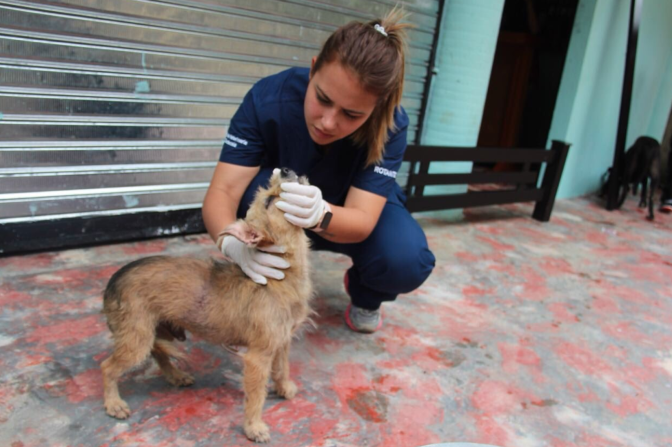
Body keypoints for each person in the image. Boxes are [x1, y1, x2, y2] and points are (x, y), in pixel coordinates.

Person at [202, 9, 436, 333]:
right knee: (247, 198)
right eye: (322, 99)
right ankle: (259, 285)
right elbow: (223, 191)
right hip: (283, 210)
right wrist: (232, 244)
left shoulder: (392, 124)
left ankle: (366, 294)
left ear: (376, 107)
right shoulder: (268, 98)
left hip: (344, 212)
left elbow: (363, 219)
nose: (328, 122)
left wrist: (321, 214)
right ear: (313, 70)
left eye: (352, 114)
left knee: (405, 258)